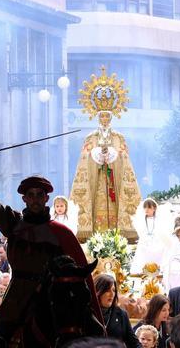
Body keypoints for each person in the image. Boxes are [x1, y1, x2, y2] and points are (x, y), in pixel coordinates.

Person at [0, 148, 101, 345]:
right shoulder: (13, 224)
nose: (36, 199)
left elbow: (80, 277)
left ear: (47, 198)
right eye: (31, 195)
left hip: (54, 298)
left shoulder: (61, 233)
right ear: (25, 199)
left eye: (40, 195)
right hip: (16, 298)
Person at [70, 68, 142, 242]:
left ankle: (119, 235)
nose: (104, 119)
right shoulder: (91, 137)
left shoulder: (118, 137)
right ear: (97, 116)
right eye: (101, 116)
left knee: (116, 207)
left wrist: (113, 156)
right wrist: (95, 156)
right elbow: (83, 162)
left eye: (107, 116)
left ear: (111, 117)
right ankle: (94, 236)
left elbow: (126, 160)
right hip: (96, 184)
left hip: (114, 183)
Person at [95, 274, 139, 348]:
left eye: (114, 290)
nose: (112, 294)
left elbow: (133, 342)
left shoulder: (121, 314)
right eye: (107, 290)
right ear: (98, 291)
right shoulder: (88, 314)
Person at [130, 198, 171, 274]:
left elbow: (162, 233)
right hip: (145, 244)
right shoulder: (141, 220)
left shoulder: (159, 220)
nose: (146, 209)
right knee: (142, 261)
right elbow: (141, 232)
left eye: (149, 207)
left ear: (154, 208)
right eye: (145, 207)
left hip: (157, 244)